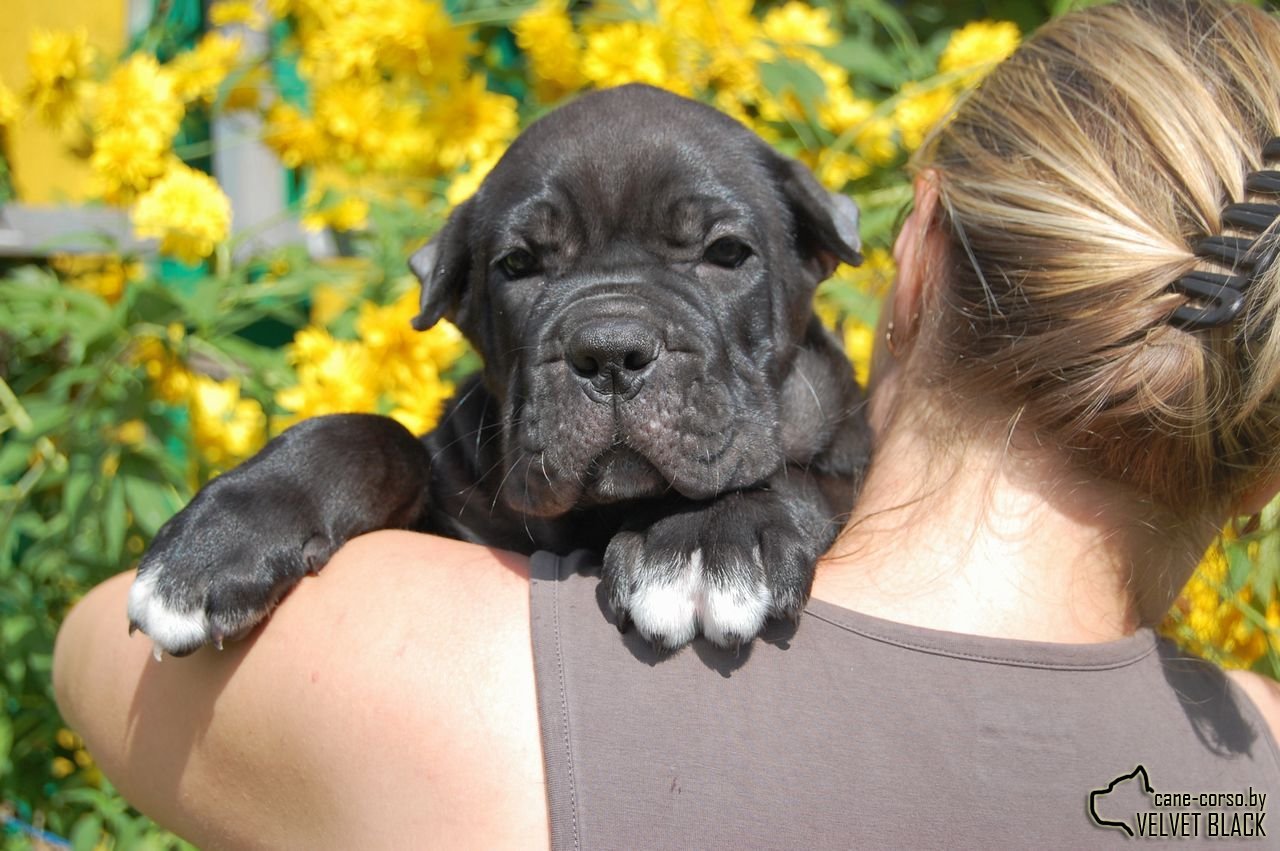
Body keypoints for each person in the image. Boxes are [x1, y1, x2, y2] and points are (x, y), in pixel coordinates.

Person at [54, 0, 1280, 846]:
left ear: (902, 264)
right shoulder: (1250, 775)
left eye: (717, 256)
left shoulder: (443, 677)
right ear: (1257, 471)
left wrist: (776, 507)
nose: (612, 337)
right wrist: (334, 461)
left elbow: (94, 649)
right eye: (532, 273)